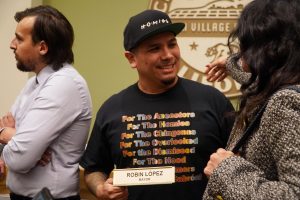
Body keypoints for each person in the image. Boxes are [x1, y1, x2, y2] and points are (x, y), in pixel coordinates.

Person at [79, 9, 234, 200]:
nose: (168, 55)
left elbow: (242, 162)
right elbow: (94, 169)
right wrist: (101, 188)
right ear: (131, 58)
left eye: (172, 44)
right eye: (155, 48)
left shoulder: (213, 100)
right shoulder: (112, 109)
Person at [203, 0, 300, 199]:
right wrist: (232, 64)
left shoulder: (285, 101)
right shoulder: (286, 82)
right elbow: (260, 82)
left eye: (247, 42)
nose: (241, 49)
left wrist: (227, 170)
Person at [0, 5, 92, 200]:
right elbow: (6, 130)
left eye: (19, 38)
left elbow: (19, 159)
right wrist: (10, 135)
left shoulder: (64, 84)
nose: (12, 44)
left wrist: (12, 137)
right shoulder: (35, 82)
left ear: (42, 47)